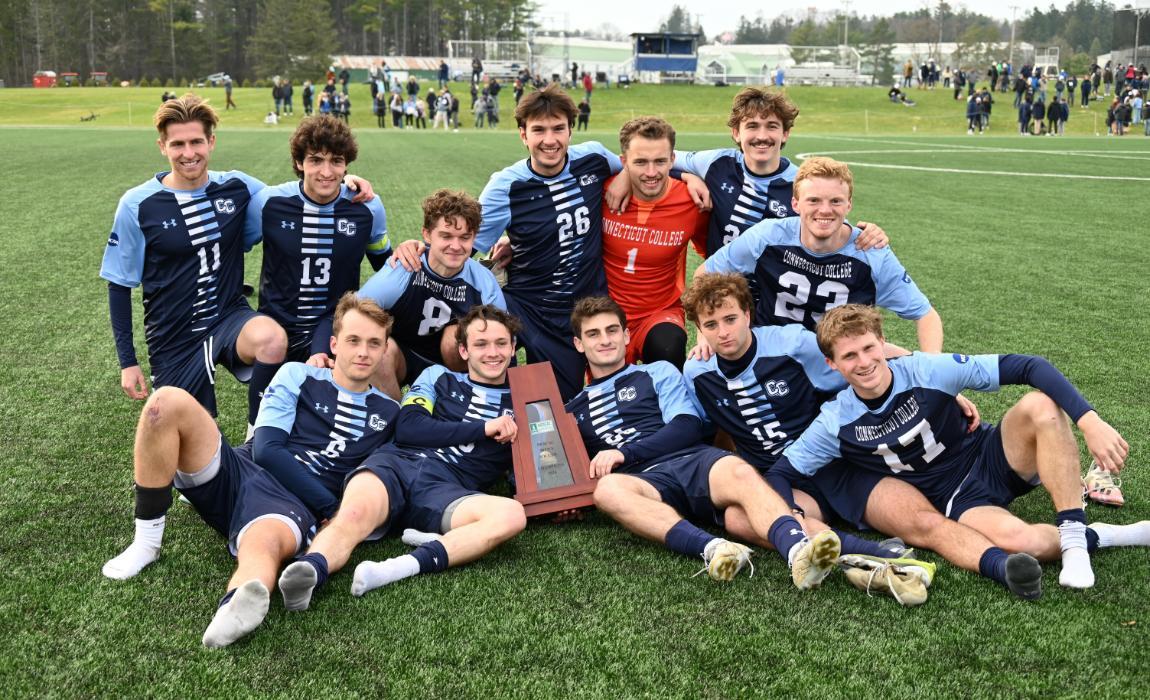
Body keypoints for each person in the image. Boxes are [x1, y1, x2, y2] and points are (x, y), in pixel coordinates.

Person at [767, 304, 1150, 598]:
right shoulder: (834, 422)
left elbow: (1030, 366)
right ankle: (1109, 535)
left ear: (883, 344)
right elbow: (782, 473)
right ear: (833, 365)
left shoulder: (928, 370)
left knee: (1039, 406)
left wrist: (1090, 421)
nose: (864, 362)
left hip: (992, 454)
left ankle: (1073, 533)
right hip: (957, 498)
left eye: (869, 348)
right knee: (1026, 543)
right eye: (849, 356)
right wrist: (791, 516)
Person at [101, 294, 399, 647]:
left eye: (373, 343)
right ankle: (146, 542)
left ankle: (236, 604)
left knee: (264, 542)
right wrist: (330, 509)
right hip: (242, 470)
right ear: (334, 344)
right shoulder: (297, 374)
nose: (363, 352)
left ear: (383, 352)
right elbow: (267, 450)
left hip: (290, 503)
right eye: (353, 340)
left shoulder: (391, 414)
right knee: (165, 402)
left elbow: (388, 478)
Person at [564, 297, 860, 592]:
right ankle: (715, 549)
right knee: (607, 490)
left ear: (626, 335)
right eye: (593, 334)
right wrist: (561, 504)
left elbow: (686, 426)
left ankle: (802, 552)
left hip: (693, 460)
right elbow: (563, 468)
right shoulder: (570, 410)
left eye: (612, 330)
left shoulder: (657, 372)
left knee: (739, 487)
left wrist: (624, 452)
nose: (605, 340)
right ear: (579, 344)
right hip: (642, 480)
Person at [273, 305, 526, 608]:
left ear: (513, 349)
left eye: (501, 344)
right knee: (351, 514)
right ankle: (313, 567)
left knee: (511, 515)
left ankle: (395, 568)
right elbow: (409, 428)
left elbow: (538, 463)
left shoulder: (527, 398)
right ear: (463, 350)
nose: (492, 353)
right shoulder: (438, 376)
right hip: (395, 463)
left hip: (448, 489)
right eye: (481, 344)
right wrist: (484, 428)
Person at [394, 84, 622, 401]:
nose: (550, 140)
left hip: (582, 308)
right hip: (525, 305)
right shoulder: (506, 186)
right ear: (523, 134)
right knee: (492, 379)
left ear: (571, 129)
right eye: (538, 130)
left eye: (558, 128)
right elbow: (460, 246)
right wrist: (419, 247)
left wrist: (632, 176)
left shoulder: (595, 158)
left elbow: (645, 165)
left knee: (563, 406)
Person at [100, 94, 287, 423]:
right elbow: (118, 286)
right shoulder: (137, 204)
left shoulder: (237, 186)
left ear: (211, 141)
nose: (189, 153)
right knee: (194, 462)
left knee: (271, 338)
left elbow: (293, 196)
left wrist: (347, 184)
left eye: (197, 142)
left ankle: (258, 437)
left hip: (228, 317)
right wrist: (127, 362)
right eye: (178, 144)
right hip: (173, 336)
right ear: (162, 146)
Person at [694, 157, 943, 352]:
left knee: (908, 370)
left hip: (840, 365)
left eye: (835, 201)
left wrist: (933, 374)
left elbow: (925, 314)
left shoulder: (870, 251)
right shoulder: (768, 236)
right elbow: (704, 275)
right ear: (795, 204)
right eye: (813, 200)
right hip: (771, 357)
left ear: (849, 205)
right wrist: (704, 335)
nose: (825, 210)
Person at [244, 116, 390, 380]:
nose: (326, 172)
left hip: (335, 329)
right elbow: (234, 251)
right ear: (300, 163)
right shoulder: (269, 203)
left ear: (346, 165)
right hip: (277, 330)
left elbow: (384, 265)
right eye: (315, 160)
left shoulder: (368, 207)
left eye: (336, 161)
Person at [359, 190, 505, 397]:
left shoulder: (484, 283)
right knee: (378, 349)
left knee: (456, 337)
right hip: (401, 356)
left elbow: (502, 343)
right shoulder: (404, 269)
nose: (455, 246)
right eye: (446, 236)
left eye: (465, 237)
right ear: (427, 234)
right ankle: (391, 421)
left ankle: (460, 406)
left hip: (454, 365)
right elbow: (352, 314)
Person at [601, 117, 708, 368]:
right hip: (606, 314)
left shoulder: (693, 201)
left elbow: (715, 256)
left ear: (672, 160)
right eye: (640, 162)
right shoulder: (603, 192)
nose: (651, 173)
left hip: (660, 313)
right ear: (624, 162)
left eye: (660, 161)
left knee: (667, 347)